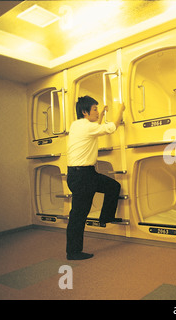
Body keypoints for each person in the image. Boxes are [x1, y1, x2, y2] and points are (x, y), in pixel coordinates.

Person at [66, 96, 125, 260]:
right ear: (85, 112)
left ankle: (105, 217)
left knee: (113, 187)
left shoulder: (77, 125)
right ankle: (73, 252)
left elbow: (94, 129)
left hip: (84, 174)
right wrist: (120, 109)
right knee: (78, 215)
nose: (97, 112)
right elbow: (112, 127)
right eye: (95, 109)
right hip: (82, 176)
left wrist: (103, 113)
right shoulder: (86, 127)